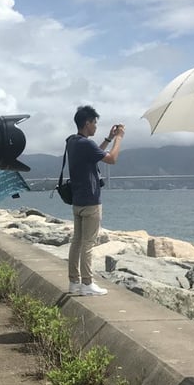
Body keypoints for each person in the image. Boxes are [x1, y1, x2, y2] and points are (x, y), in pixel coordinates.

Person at [66, 105, 125, 296]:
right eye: (94, 123)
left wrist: (108, 138)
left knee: (77, 242)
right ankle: (88, 284)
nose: (96, 126)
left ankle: (74, 282)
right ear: (87, 123)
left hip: (77, 201)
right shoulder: (85, 144)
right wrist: (119, 139)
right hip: (91, 201)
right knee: (88, 244)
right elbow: (112, 159)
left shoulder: (73, 142)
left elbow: (94, 155)